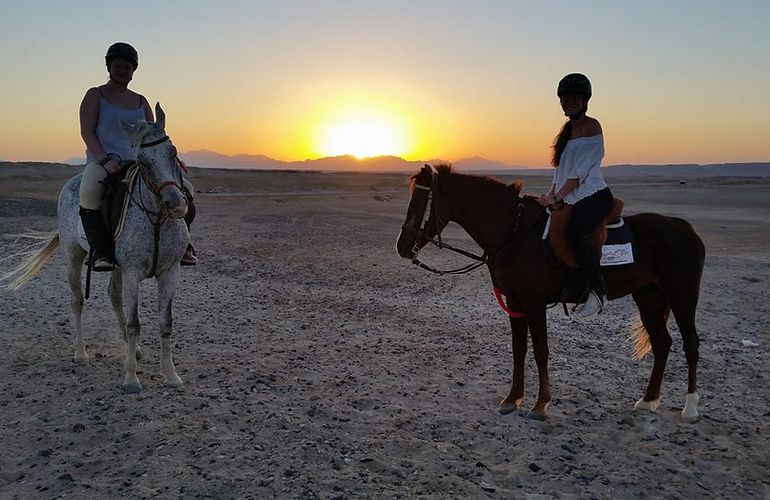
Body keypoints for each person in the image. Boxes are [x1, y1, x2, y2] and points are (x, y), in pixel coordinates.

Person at [79, 42, 197, 271]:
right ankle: (101, 251)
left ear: (134, 71)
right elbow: (87, 131)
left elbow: (154, 136)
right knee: (89, 191)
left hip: (137, 162)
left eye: (127, 67)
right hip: (104, 161)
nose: (123, 70)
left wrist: (170, 161)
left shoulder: (141, 101)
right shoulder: (96, 95)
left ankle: (184, 245)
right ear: (109, 67)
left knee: (186, 189)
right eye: (118, 66)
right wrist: (104, 159)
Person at [538, 73, 613, 318]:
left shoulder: (592, 126)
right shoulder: (567, 131)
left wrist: (558, 198)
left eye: (574, 98)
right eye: (565, 98)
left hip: (593, 194)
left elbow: (579, 174)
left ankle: (597, 291)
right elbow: (560, 173)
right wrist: (547, 196)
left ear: (585, 101)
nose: (569, 102)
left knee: (576, 232)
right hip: (570, 196)